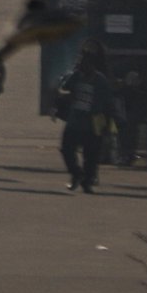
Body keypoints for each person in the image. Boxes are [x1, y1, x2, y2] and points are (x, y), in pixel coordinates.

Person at [57, 51, 108, 193]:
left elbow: (106, 102)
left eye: (83, 63)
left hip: (92, 123)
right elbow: (64, 88)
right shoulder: (76, 77)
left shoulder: (100, 81)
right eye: (79, 62)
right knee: (66, 149)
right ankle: (76, 173)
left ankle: (87, 182)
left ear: (91, 65)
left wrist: (105, 124)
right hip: (74, 121)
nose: (80, 65)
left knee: (91, 155)